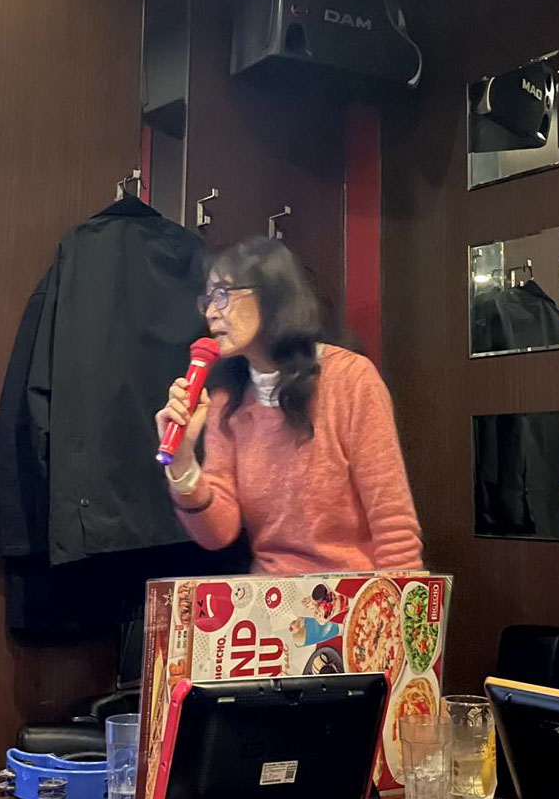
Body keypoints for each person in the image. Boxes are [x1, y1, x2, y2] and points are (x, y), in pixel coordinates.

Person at [154, 237, 423, 575]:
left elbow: (393, 521)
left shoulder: (350, 378)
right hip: (271, 595)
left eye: (222, 295)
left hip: (353, 591)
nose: (211, 312)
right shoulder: (226, 399)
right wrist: (183, 464)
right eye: (207, 300)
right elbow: (218, 533)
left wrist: (398, 601)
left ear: (273, 297)